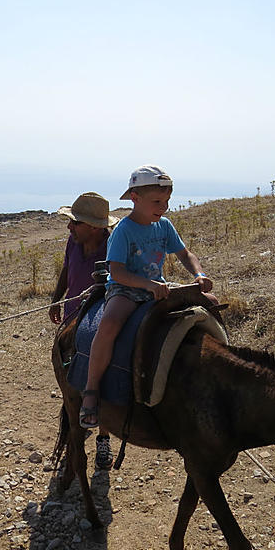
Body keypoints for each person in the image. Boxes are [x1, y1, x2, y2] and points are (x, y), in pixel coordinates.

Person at [80, 165, 216, 429]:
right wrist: (147, 284)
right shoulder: (124, 230)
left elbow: (185, 254)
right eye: (156, 201)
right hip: (126, 289)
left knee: (210, 305)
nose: (163, 207)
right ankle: (91, 389)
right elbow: (117, 272)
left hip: (158, 286)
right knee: (108, 325)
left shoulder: (164, 226)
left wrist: (199, 274)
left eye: (166, 201)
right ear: (135, 198)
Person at [50, 192, 118, 468]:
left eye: (75, 223)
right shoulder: (73, 242)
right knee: (69, 378)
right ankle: (74, 442)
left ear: (93, 227)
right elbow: (66, 271)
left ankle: (103, 438)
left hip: (98, 323)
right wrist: (57, 297)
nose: (70, 227)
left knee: (99, 380)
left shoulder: (112, 248)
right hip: (71, 319)